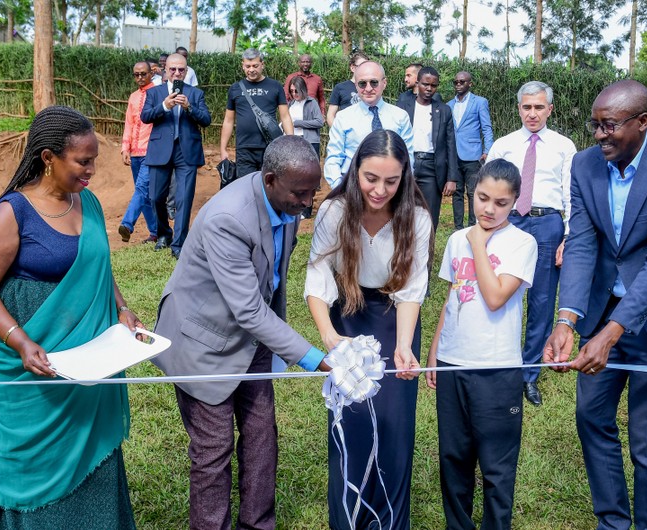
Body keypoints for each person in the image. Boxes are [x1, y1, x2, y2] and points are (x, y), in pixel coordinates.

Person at [544, 80, 647, 530]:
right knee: (590, 417)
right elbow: (581, 242)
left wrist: (611, 333)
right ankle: (613, 521)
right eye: (595, 124)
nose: (599, 135)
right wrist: (567, 318)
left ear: (642, 123)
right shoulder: (584, 165)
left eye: (610, 125)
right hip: (599, 316)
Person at [0, 105, 142, 529]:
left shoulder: (91, 204)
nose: (92, 170)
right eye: (83, 161)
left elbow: (97, 265)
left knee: (94, 460)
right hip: (36, 371)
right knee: (37, 473)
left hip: (89, 370)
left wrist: (120, 307)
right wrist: (21, 342)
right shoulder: (13, 213)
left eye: (94, 159)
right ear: (48, 158)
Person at [152, 135, 330, 530]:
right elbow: (249, 310)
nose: (307, 203)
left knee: (261, 437)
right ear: (270, 180)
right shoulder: (229, 218)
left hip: (254, 339)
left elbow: (271, 284)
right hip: (203, 342)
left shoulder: (287, 202)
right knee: (213, 452)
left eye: (312, 192)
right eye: (300, 194)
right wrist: (315, 358)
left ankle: (258, 524)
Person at [306, 130, 432, 530]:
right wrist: (329, 336)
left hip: (396, 316)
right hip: (348, 314)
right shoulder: (334, 212)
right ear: (355, 170)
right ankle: (349, 519)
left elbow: (413, 288)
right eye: (371, 178)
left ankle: (391, 522)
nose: (380, 190)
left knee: (394, 426)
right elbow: (318, 276)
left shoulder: (419, 218)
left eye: (391, 181)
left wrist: (405, 345)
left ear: (404, 177)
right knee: (352, 419)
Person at [426, 159, 537, 530]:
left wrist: (477, 242)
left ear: (516, 203)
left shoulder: (523, 243)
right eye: (483, 198)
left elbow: (493, 297)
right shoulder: (457, 239)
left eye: (501, 203)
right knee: (453, 458)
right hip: (452, 363)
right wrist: (435, 351)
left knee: (496, 466)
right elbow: (454, 296)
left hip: (496, 368)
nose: (489, 209)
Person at [486, 80, 576, 406]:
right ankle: (501, 366)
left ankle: (528, 374)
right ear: (519, 108)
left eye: (539, 107)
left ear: (550, 109)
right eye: (527, 107)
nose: (533, 113)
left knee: (541, 302)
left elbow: (570, 193)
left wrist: (568, 235)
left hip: (547, 223)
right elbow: (489, 190)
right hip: (510, 222)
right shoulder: (504, 145)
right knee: (503, 296)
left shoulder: (564, 146)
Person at [140, 52, 211, 259]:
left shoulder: (195, 93)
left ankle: (179, 244)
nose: (177, 73)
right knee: (155, 197)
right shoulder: (155, 93)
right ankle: (164, 233)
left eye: (181, 69)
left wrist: (189, 107)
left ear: (186, 71)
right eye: (173, 69)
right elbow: (145, 116)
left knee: (184, 198)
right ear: (166, 70)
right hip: (160, 150)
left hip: (186, 151)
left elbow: (206, 119)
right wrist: (165, 106)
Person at [324, 61, 414, 189]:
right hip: (351, 186)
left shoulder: (400, 117)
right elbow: (334, 157)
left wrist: (400, 188)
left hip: (389, 190)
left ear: (384, 83)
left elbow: (408, 158)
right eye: (362, 83)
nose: (368, 88)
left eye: (374, 82)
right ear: (356, 85)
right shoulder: (343, 118)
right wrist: (340, 188)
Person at [396, 66, 458, 230]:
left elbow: (450, 144)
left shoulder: (444, 110)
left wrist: (452, 178)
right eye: (425, 84)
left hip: (432, 168)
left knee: (429, 217)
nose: (429, 89)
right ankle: (403, 253)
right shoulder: (403, 107)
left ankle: (426, 254)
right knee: (402, 212)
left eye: (433, 85)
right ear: (418, 83)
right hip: (406, 165)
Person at [220, 48, 293, 180]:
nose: (251, 69)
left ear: (262, 65)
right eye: (247, 66)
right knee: (246, 187)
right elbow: (228, 121)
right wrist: (223, 149)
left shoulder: (275, 86)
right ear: (242, 65)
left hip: (270, 147)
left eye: (255, 66)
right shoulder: (235, 88)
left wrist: (291, 142)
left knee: (269, 187)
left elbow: (285, 116)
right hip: (244, 149)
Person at [447, 71, 494, 230]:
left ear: (470, 84)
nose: (458, 84)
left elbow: (486, 128)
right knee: (457, 192)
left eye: (462, 82)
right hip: (453, 155)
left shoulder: (480, 102)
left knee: (473, 192)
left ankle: (473, 227)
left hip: (473, 155)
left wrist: (488, 150)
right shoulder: (449, 105)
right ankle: (458, 228)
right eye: (456, 82)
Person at [118, 60, 158, 244]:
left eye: (143, 74)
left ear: (151, 73)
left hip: (151, 151)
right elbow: (128, 123)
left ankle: (127, 224)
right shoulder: (133, 97)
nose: (140, 78)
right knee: (145, 195)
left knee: (141, 189)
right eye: (136, 74)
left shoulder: (158, 92)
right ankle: (155, 232)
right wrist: (125, 147)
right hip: (134, 152)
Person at [288, 75, 325, 219]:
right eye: (292, 91)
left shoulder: (312, 102)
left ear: (302, 89)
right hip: (293, 142)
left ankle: (306, 211)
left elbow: (319, 122)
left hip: (309, 142)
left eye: (296, 91)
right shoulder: (291, 104)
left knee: (308, 177)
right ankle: (296, 208)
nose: (294, 94)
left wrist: (299, 123)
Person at [326, 51, 369, 126]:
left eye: (367, 66)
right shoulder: (340, 87)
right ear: (352, 68)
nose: (365, 69)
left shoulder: (372, 88)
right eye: (361, 66)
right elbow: (330, 115)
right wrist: (338, 132)